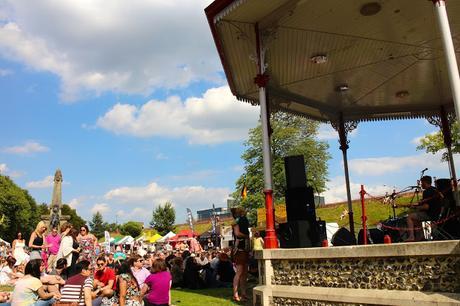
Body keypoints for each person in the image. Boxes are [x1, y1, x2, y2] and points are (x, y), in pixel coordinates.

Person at [406, 176, 442, 241]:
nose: (421, 184)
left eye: (421, 183)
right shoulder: (435, 190)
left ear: (425, 182)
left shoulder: (426, 191)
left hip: (430, 215)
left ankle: (411, 237)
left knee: (409, 217)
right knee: (415, 219)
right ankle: (420, 237)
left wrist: (415, 207)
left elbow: (426, 207)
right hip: (438, 214)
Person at [231, 207, 249, 302]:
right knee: (239, 272)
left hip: (244, 249)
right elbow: (237, 233)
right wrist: (246, 236)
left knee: (244, 273)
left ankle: (244, 293)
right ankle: (235, 294)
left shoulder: (241, 221)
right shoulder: (236, 222)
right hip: (239, 250)